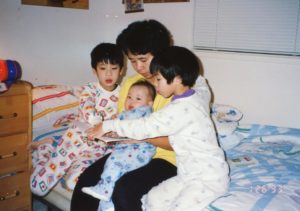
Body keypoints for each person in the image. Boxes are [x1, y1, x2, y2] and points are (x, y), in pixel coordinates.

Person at [71, 19, 211, 211]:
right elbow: (124, 120)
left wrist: (135, 134)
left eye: (143, 59)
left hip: (168, 157)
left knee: (124, 190)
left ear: (161, 54)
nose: (138, 66)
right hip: (129, 151)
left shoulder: (179, 87)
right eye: (132, 60)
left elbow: (178, 142)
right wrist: (111, 134)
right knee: (86, 181)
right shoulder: (131, 84)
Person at [88, 46, 229, 211]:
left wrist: (107, 125)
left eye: (159, 79)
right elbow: (201, 83)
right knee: (153, 198)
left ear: (177, 78)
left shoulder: (179, 110)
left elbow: (144, 126)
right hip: (186, 175)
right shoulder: (198, 95)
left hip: (208, 178)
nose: (155, 85)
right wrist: (186, 69)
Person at [30, 43, 124, 196]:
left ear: (121, 71)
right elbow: (86, 105)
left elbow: (124, 116)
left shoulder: (123, 93)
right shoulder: (90, 89)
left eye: (113, 69)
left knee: (75, 182)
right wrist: (94, 119)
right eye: (103, 69)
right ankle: (46, 158)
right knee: (62, 156)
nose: (108, 74)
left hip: (100, 146)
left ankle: (63, 161)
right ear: (94, 71)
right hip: (79, 135)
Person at [81, 80, 156, 209]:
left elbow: (130, 130)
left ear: (149, 104)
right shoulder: (127, 114)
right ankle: (107, 205)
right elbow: (117, 129)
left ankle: (103, 189)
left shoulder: (142, 112)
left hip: (139, 151)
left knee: (114, 164)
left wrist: (108, 133)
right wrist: (101, 134)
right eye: (129, 97)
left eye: (138, 98)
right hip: (128, 149)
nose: (131, 101)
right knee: (113, 171)